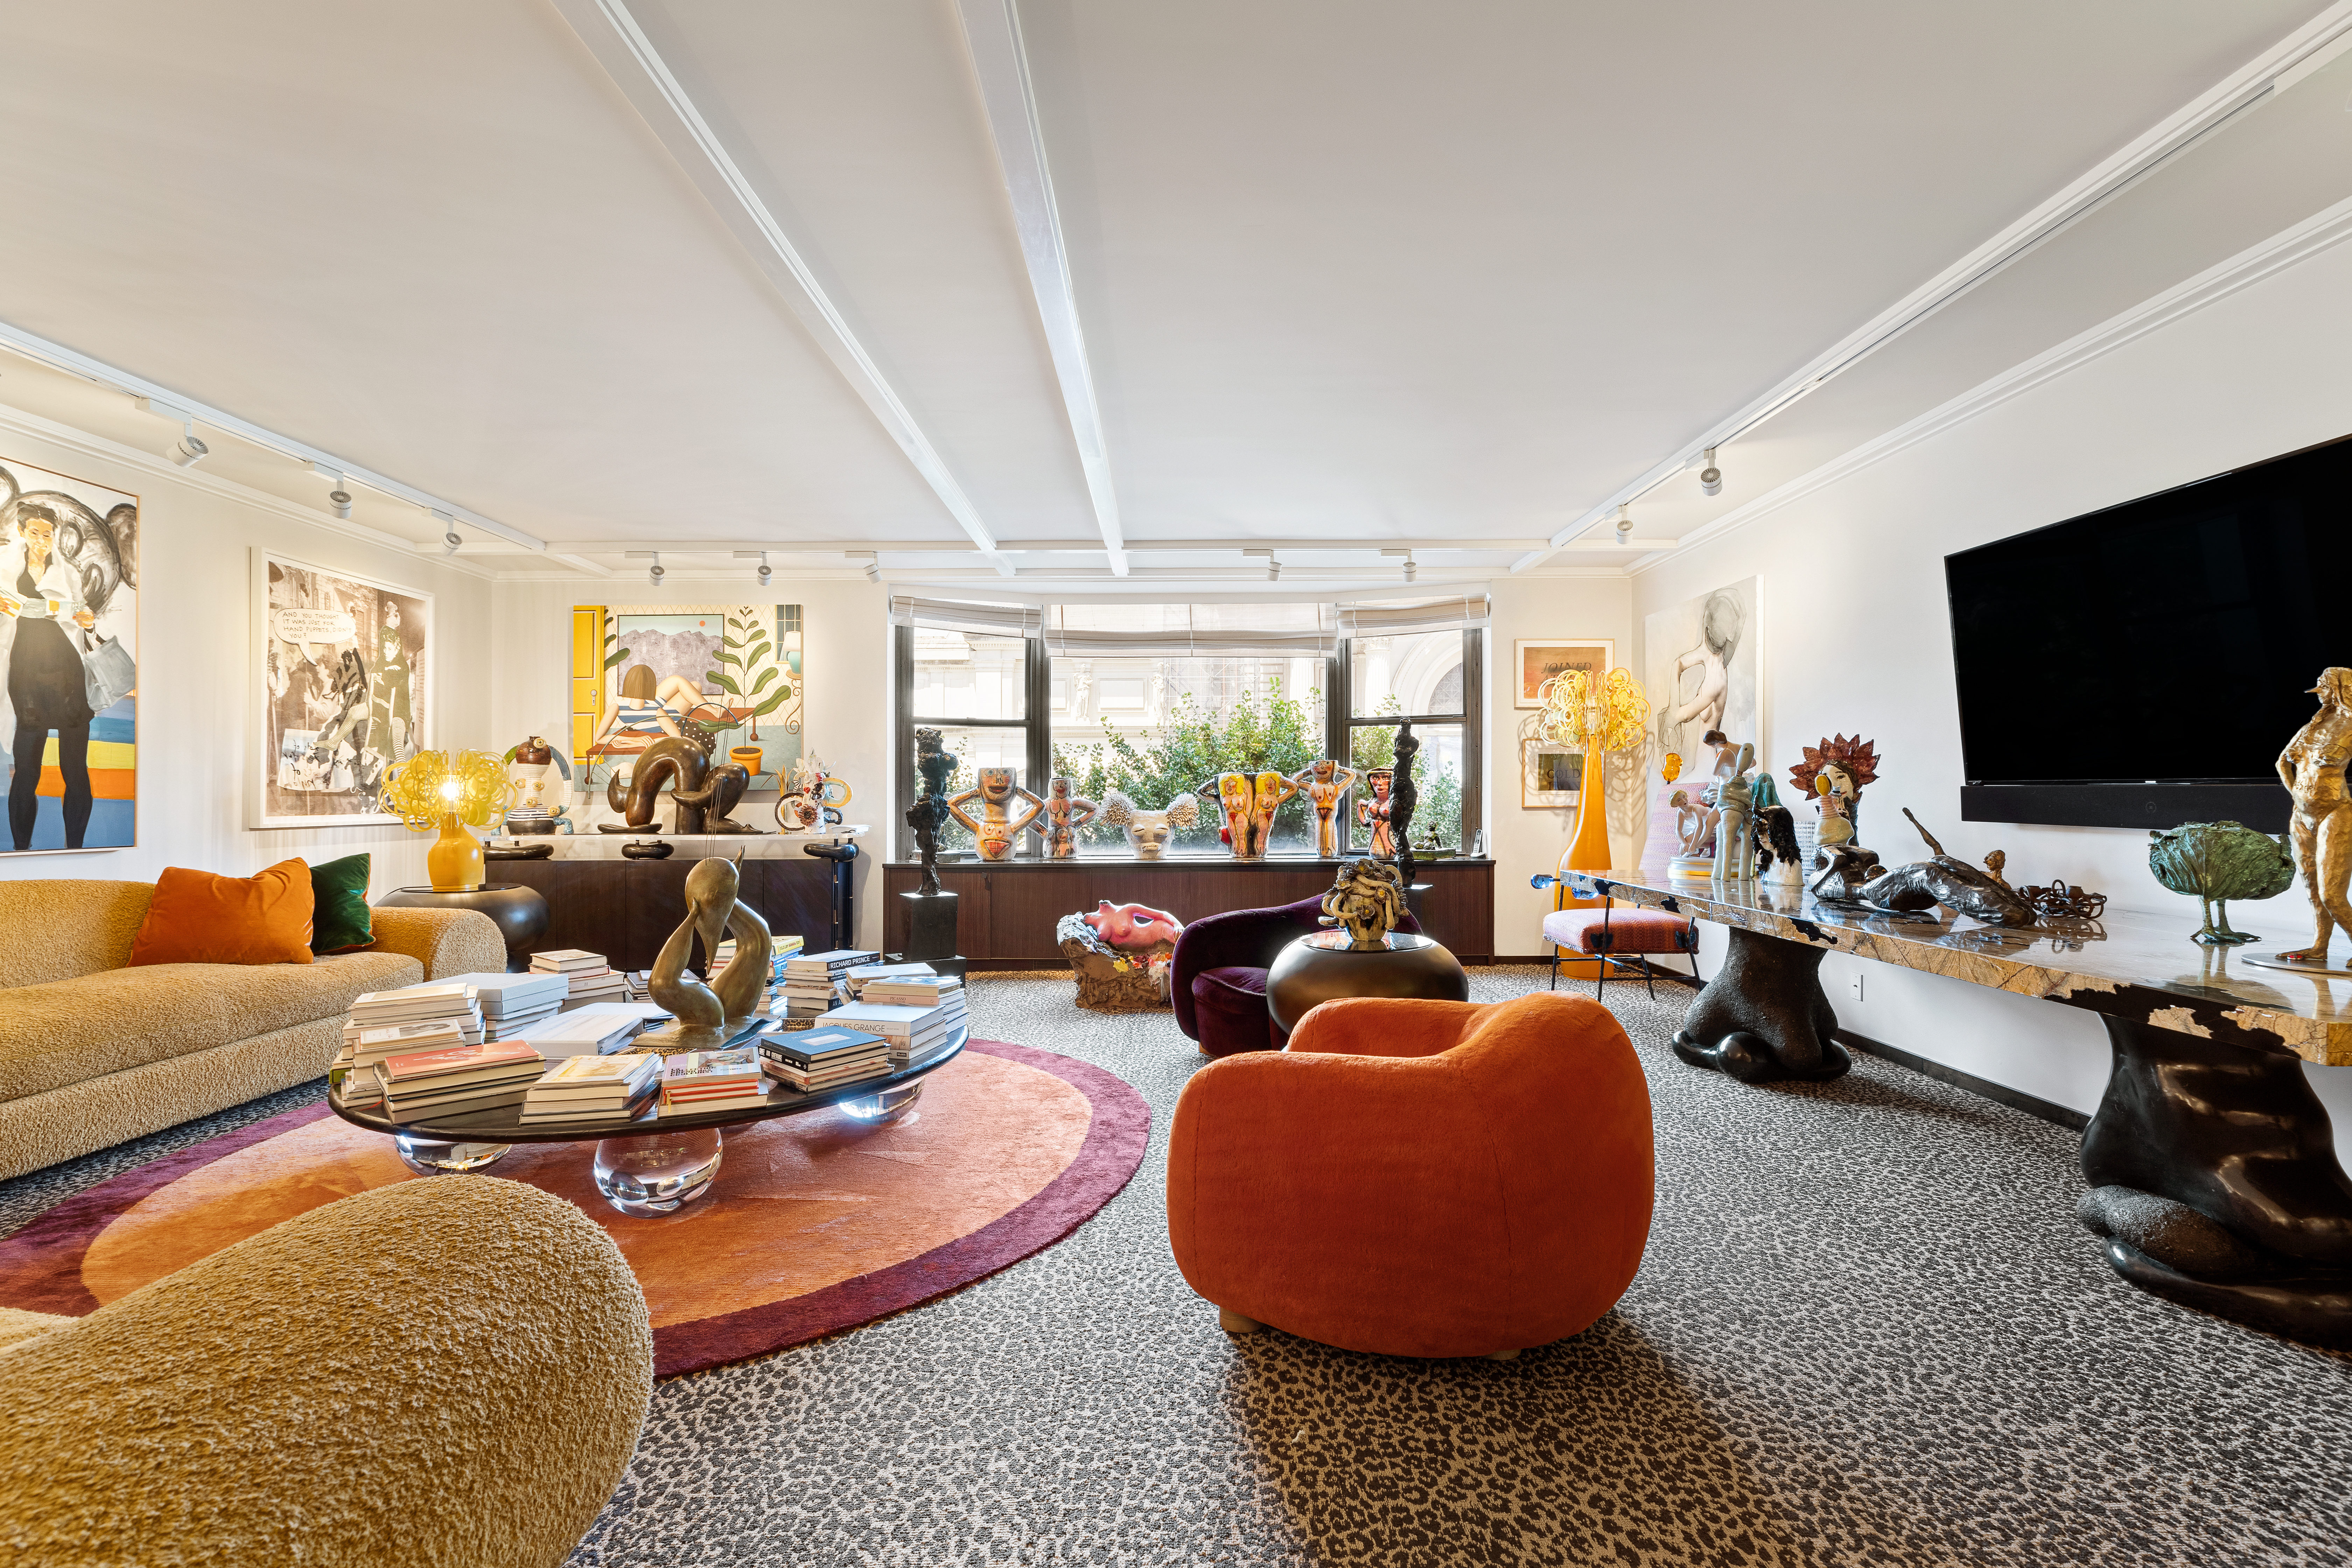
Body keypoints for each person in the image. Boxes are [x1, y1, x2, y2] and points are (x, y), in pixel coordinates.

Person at [0, 504, 97, 850]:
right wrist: (52, 608)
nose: (42, 540)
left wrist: (87, 619)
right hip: (25, 674)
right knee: (26, 771)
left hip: (68, 674)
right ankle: (21, 850)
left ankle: (76, 848)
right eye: (35, 533)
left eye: (48, 533)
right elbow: (13, 610)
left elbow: (80, 612)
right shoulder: (5, 566)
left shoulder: (68, 571)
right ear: (23, 532)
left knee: (76, 769)